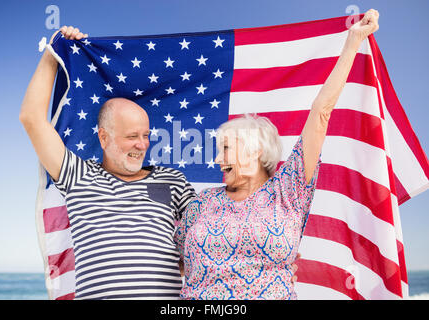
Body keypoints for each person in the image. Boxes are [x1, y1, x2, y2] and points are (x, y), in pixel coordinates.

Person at [20, 26, 301, 299]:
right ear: (103, 138)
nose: (142, 145)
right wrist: (52, 54)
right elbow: (31, 118)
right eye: (132, 137)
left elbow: (211, 237)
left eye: (145, 135)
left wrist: (269, 265)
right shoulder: (77, 174)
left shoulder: (173, 181)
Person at [174, 9, 380, 299]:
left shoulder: (288, 191)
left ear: (256, 150)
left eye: (226, 149)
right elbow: (173, 260)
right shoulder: (200, 205)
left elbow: (321, 112)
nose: (219, 160)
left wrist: (353, 41)